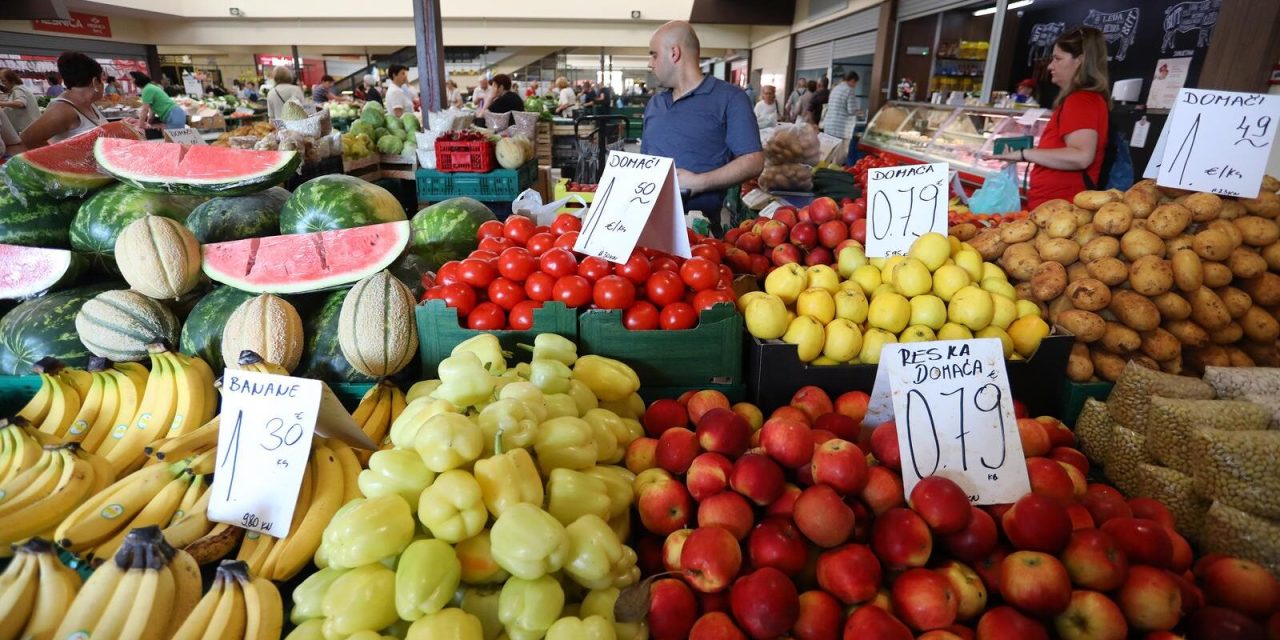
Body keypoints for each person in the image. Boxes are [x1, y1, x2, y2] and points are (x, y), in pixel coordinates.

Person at [643, 20, 763, 233]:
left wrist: (699, 182)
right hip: (647, 224)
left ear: (674, 53)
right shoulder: (655, 103)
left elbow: (753, 161)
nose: (650, 64)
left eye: (654, 54)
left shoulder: (730, 99)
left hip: (698, 229)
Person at [993, 26, 1109, 209]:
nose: (1050, 66)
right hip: (1055, 208)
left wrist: (1024, 154)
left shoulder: (1081, 101)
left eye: (1057, 58)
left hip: (1062, 209)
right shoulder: (1082, 99)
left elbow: (1081, 156)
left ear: (1080, 60)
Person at [20, 53, 108, 148]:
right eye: (102, 80)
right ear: (95, 82)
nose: (103, 85)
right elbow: (27, 139)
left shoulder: (88, 104)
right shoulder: (62, 110)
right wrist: (63, 159)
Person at [825, 71, 862, 166]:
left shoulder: (835, 88)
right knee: (840, 156)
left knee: (830, 153)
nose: (855, 85)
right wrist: (858, 111)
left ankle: (825, 171)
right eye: (856, 83)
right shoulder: (849, 90)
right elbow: (851, 110)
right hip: (841, 128)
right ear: (852, 80)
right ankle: (834, 173)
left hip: (830, 125)